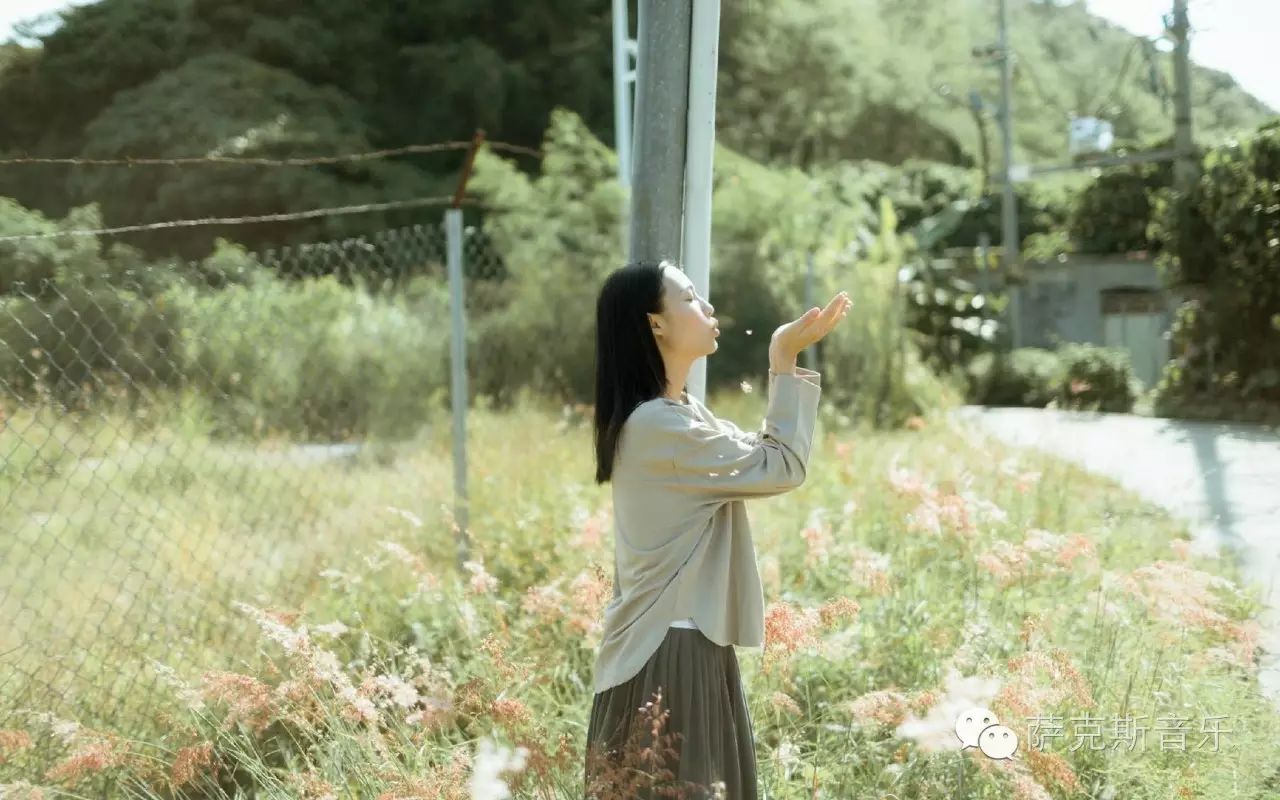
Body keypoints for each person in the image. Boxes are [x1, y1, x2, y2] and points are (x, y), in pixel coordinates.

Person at [583, 259, 851, 799]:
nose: (707, 306)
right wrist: (782, 359)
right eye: (688, 297)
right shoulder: (661, 425)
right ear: (656, 323)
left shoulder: (681, 415)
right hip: (671, 653)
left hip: (682, 645)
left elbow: (766, 453)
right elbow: (782, 465)